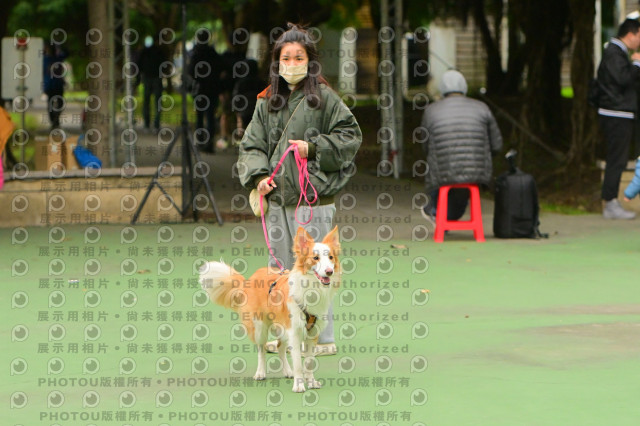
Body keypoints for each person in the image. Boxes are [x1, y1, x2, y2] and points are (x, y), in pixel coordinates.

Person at [237, 23, 362, 356]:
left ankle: (322, 338)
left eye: (299, 57)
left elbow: (350, 137)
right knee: (280, 268)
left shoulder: (326, 99)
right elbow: (251, 145)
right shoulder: (266, 101)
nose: (291, 64)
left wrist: (314, 148)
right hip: (277, 199)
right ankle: (283, 332)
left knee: (320, 268)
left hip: (313, 199)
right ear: (277, 62)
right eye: (286, 58)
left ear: (310, 61)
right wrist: (258, 177)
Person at [420, 69, 502, 223]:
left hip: (442, 172)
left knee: (438, 173)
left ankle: (434, 211)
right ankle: (444, 215)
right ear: (464, 86)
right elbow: (497, 145)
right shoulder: (482, 107)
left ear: (442, 89)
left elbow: (426, 147)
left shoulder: (431, 111)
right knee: (462, 186)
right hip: (477, 172)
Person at [596, 18, 640, 220]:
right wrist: (637, 64)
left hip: (620, 112)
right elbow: (623, 79)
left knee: (618, 159)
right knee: (616, 159)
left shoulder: (618, 53)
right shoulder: (614, 53)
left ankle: (611, 201)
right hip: (615, 113)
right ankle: (610, 202)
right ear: (631, 34)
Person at [188, 29, 222, 153]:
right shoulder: (213, 53)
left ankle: (200, 141)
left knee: (200, 116)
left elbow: (191, 71)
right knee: (210, 116)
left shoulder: (196, 53)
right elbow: (220, 68)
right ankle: (209, 143)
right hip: (212, 89)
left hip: (200, 89)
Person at [136, 35, 166, 131]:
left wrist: (138, 79)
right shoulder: (157, 51)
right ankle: (153, 124)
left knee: (148, 102)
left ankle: (149, 123)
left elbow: (138, 65)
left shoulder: (145, 52)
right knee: (154, 102)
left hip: (150, 78)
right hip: (154, 78)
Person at [232, 59, 265, 139]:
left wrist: (237, 112)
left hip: (244, 111)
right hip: (257, 111)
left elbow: (236, 98)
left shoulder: (240, 83)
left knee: (244, 134)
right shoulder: (260, 82)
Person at [43, 42, 68, 129]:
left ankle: (55, 120)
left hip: (56, 84)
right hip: (52, 85)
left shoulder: (55, 58)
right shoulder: (47, 59)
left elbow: (66, 53)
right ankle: (54, 121)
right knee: (53, 103)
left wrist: (59, 47)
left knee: (58, 103)